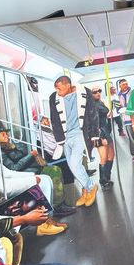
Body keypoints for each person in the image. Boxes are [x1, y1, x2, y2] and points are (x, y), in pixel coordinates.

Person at [0, 131, 66, 235]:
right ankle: (44, 224)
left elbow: (8, 173)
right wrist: (32, 181)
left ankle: (48, 219)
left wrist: (31, 176)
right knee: (43, 183)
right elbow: (3, 188)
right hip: (1, 197)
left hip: (7, 186)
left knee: (45, 178)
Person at [48, 76, 99, 207]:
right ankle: (86, 190)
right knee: (72, 166)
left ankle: (91, 187)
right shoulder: (53, 98)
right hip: (65, 136)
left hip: (80, 134)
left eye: (59, 88)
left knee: (75, 164)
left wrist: (94, 135)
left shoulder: (84, 92)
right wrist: (60, 140)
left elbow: (93, 113)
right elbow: (54, 119)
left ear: (68, 85)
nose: (56, 91)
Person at [90, 87, 115, 191]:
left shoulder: (100, 102)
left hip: (106, 130)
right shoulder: (92, 106)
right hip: (99, 133)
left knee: (111, 155)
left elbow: (103, 116)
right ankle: (103, 181)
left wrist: (108, 114)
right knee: (104, 157)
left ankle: (107, 177)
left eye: (99, 91)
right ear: (91, 94)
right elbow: (94, 123)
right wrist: (102, 137)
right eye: (95, 92)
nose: (98, 93)